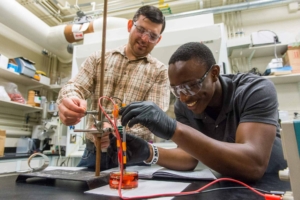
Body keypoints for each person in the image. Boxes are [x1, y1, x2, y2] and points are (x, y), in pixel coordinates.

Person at [110, 42, 287, 181]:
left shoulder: (254, 90)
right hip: (230, 184)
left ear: (214, 73)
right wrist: (149, 152)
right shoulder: (184, 106)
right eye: (176, 90)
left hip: (275, 182)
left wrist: (173, 128)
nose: (184, 98)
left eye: (190, 86)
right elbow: (188, 157)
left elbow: (252, 164)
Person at [57, 5, 170, 170]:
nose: (145, 39)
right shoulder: (99, 59)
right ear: (130, 26)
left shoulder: (159, 72)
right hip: (94, 154)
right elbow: (75, 86)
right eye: (141, 30)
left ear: (158, 39)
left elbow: (154, 120)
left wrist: (114, 128)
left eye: (152, 35)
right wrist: (69, 100)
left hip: (133, 156)